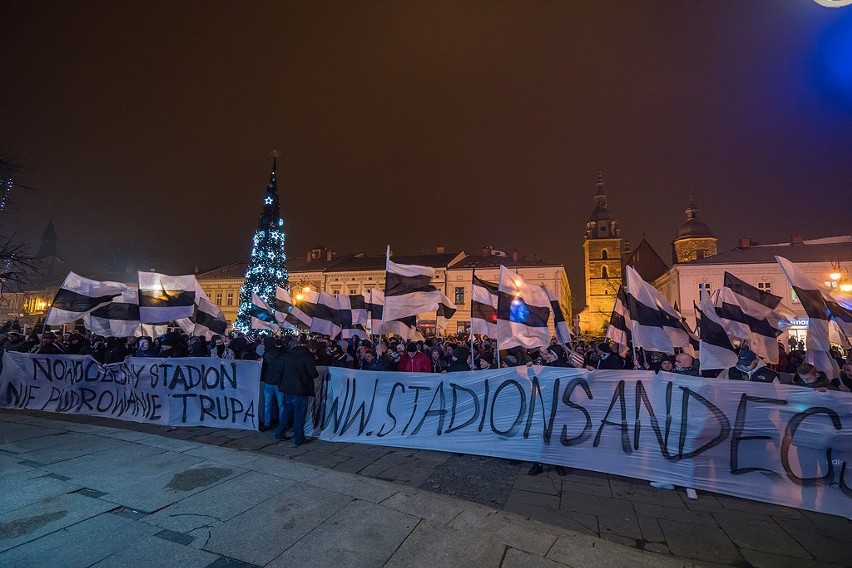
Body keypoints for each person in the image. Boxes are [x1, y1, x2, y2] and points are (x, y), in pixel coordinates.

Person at [277, 339, 319, 445]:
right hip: (301, 389)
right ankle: (299, 438)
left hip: (288, 388)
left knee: (287, 412)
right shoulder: (307, 357)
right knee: (299, 415)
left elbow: (280, 370)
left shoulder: (288, 355)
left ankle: (279, 432)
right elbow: (314, 374)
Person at [260, 336, 287, 432]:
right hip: (279, 383)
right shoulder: (284, 354)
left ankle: (267, 423)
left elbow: (263, 368)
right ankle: (282, 424)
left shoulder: (266, 354)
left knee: (268, 404)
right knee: (281, 405)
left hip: (269, 381)